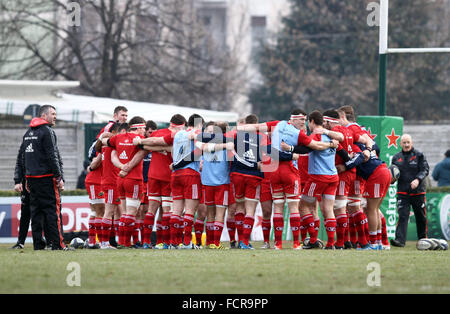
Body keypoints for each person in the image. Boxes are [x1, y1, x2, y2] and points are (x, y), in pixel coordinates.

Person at [22, 105, 72, 250]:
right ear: (43, 116)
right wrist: (58, 176)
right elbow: (52, 155)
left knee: (36, 213)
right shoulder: (47, 131)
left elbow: (25, 157)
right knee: (52, 212)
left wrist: (26, 177)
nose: (55, 116)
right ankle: (58, 244)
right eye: (53, 114)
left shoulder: (28, 132)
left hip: (32, 178)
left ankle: (38, 245)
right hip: (46, 178)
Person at [390, 134, 429, 247]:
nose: (406, 145)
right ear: (400, 144)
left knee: (420, 216)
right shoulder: (396, 158)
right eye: (404, 142)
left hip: (418, 191)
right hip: (403, 192)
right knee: (402, 216)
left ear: (412, 143)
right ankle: (400, 241)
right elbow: (392, 174)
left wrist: (417, 180)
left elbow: (425, 170)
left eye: (408, 142)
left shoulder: (419, 155)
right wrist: (391, 180)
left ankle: (423, 240)